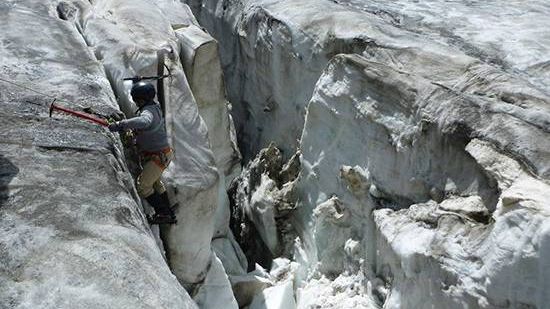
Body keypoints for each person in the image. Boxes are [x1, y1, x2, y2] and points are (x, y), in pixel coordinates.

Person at [108, 82, 176, 224]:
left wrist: (121, 125)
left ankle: (164, 213)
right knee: (156, 183)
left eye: (136, 99)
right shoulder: (154, 107)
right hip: (161, 155)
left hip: (158, 157)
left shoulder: (149, 112)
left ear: (142, 100)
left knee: (143, 186)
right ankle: (168, 211)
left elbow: (145, 121)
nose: (135, 102)